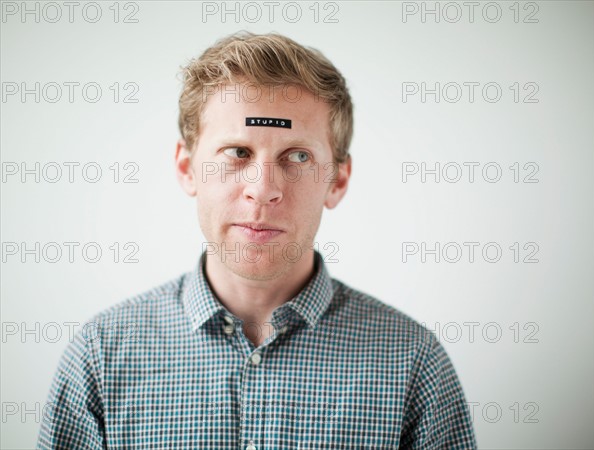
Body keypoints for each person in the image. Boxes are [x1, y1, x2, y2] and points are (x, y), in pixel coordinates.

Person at [38, 32, 477, 449]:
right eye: (238, 152)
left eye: (298, 156)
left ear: (337, 180)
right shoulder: (100, 354)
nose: (263, 188)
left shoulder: (412, 362)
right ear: (188, 168)